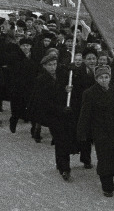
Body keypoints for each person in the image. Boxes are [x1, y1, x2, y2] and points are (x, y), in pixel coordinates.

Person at [77, 65, 114, 197]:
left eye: (106, 77)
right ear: (96, 79)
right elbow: (85, 114)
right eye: (101, 78)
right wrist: (82, 132)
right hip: (101, 131)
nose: (104, 80)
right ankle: (107, 187)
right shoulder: (90, 93)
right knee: (104, 158)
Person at [28, 53, 78, 181]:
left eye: (54, 64)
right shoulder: (41, 80)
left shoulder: (60, 75)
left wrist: (66, 89)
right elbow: (44, 101)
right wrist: (61, 108)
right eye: (49, 65)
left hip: (64, 114)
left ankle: (60, 163)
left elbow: (66, 80)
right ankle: (65, 169)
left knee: (62, 140)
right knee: (62, 140)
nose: (53, 67)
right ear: (44, 66)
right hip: (52, 115)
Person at [7, 38, 39, 134]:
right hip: (18, 86)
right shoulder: (15, 56)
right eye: (23, 45)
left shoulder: (35, 56)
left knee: (33, 108)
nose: (25, 47)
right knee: (17, 107)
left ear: (31, 46)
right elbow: (12, 71)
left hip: (31, 86)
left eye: (27, 45)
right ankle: (13, 122)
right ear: (20, 46)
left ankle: (34, 129)